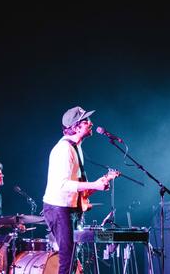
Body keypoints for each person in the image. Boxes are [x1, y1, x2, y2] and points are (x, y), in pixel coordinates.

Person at [42, 106, 115, 274]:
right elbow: (63, 185)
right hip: (59, 208)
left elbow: (78, 188)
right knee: (67, 260)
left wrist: (100, 184)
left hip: (70, 208)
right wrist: (95, 185)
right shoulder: (63, 149)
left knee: (73, 259)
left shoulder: (76, 147)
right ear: (75, 127)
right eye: (86, 121)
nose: (91, 123)